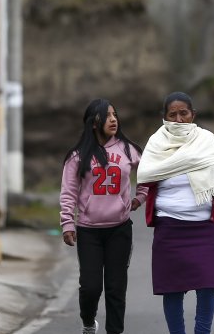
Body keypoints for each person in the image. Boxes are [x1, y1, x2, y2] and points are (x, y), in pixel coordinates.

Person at [137, 92, 214, 334]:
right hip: (168, 228)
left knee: (208, 285)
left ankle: (202, 331)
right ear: (164, 118)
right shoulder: (156, 144)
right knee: (172, 289)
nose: (179, 119)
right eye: (172, 114)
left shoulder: (207, 141)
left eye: (184, 113)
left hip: (205, 227)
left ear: (193, 115)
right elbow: (145, 175)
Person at [60, 99, 152, 334]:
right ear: (93, 123)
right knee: (90, 287)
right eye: (106, 115)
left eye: (115, 114)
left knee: (115, 288)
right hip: (89, 230)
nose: (113, 119)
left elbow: (149, 175)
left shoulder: (128, 149)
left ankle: (115, 331)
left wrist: (140, 197)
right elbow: (68, 192)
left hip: (119, 229)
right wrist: (67, 223)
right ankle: (89, 323)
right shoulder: (77, 156)